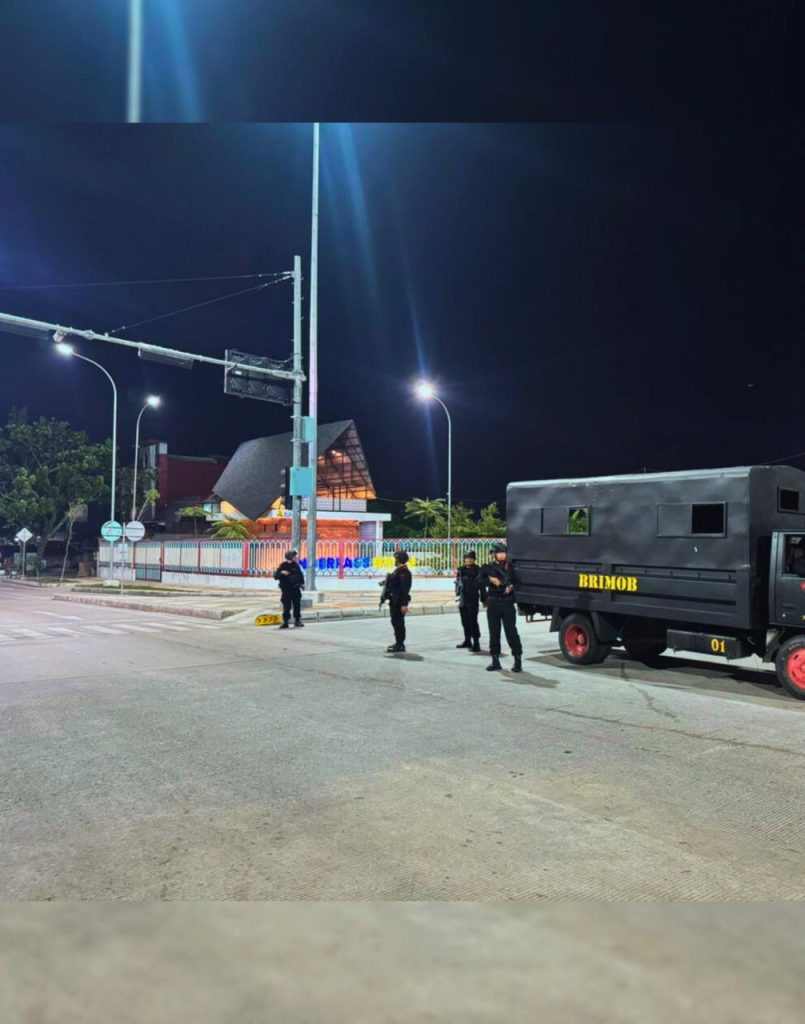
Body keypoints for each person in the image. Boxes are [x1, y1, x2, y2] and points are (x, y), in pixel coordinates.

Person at [480, 541, 523, 673]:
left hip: (507, 602)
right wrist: (490, 580)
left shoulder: (511, 568)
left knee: (511, 631)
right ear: (494, 554)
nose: (502, 555)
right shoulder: (487, 568)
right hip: (493, 602)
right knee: (494, 632)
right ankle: (495, 661)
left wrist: (511, 587)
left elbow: (519, 583)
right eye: (499, 552)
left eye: (504, 552)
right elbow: (477, 582)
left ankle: (517, 660)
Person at [384, 550, 412, 653]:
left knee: (398, 622)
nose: (394, 560)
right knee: (395, 622)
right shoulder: (398, 571)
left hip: (399, 602)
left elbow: (404, 589)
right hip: (394, 601)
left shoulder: (404, 572)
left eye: (396, 558)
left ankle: (400, 644)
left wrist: (404, 604)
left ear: (399, 559)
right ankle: (398, 642)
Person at [455, 550, 483, 652]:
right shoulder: (461, 570)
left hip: (473, 599)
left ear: (474, 559)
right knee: (464, 621)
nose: (469, 560)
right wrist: (457, 594)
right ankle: (467, 641)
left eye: (471, 558)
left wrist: (484, 599)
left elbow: (482, 586)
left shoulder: (478, 570)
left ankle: (476, 643)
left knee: (473, 621)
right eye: (467, 558)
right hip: (463, 599)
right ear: (464, 559)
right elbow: (458, 583)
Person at [273, 549, 305, 628]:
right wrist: (282, 572)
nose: (296, 558)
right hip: (287, 589)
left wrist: (302, 584)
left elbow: (300, 575)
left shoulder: (296, 565)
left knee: (297, 604)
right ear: (290, 557)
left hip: (295, 588)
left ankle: (297, 620)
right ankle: (285, 621)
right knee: (287, 605)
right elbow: (276, 576)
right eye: (294, 556)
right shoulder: (283, 565)